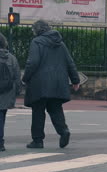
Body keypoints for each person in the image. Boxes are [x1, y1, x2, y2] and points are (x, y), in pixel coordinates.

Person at [22, 20, 80, 149]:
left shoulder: (36, 42)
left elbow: (32, 62)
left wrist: (25, 78)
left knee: (38, 112)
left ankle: (38, 140)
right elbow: (70, 63)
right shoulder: (60, 44)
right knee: (55, 110)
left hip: (40, 84)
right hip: (58, 84)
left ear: (37, 30)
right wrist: (75, 81)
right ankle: (63, 131)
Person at [0, 33, 21, 152]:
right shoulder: (11, 58)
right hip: (6, 92)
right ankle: (0, 142)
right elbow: (17, 77)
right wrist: (17, 92)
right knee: (1, 116)